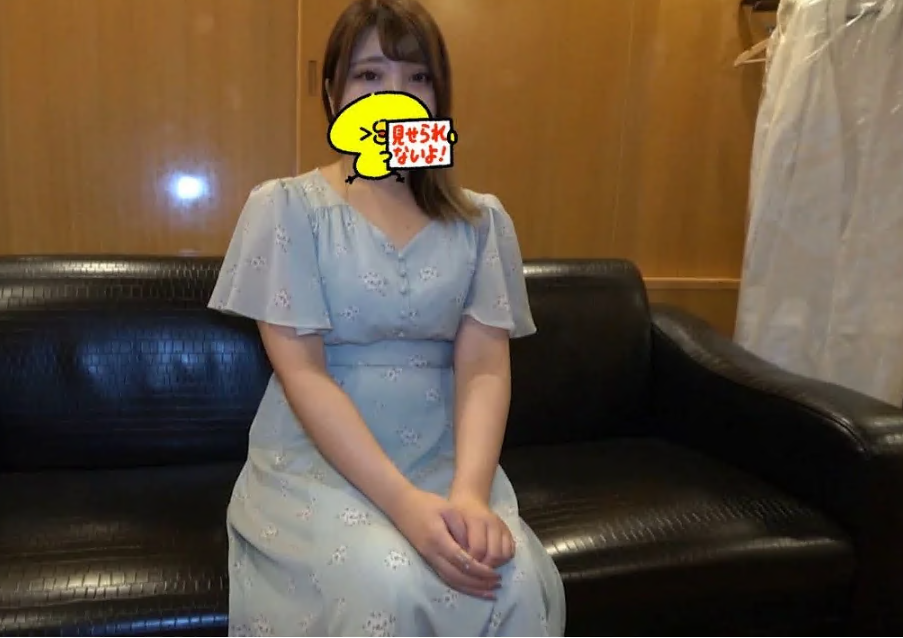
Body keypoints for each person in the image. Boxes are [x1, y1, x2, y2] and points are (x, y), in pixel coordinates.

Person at [207, 0, 567, 635]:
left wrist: (469, 495)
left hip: (445, 458)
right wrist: (403, 505)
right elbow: (303, 374)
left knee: (513, 580)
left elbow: (485, 367)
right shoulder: (286, 208)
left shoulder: (481, 220)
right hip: (319, 466)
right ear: (333, 92)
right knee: (390, 580)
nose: (395, 94)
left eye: (417, 76)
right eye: (369, 75)